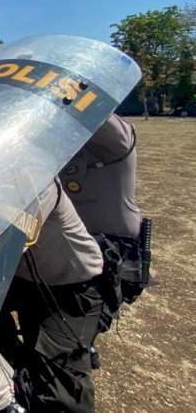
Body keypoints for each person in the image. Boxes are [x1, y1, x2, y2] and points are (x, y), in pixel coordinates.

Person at [0, 178, 104, 413]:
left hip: (70, 288)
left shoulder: (39, 182)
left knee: (58, 387)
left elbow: (0, 242)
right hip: (22, 278)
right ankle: (14, 375)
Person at [61, 114, 148, 308]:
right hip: (63, 250)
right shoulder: (59, 141)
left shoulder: (118, 140)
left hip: (109, 253)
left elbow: (91, 107)